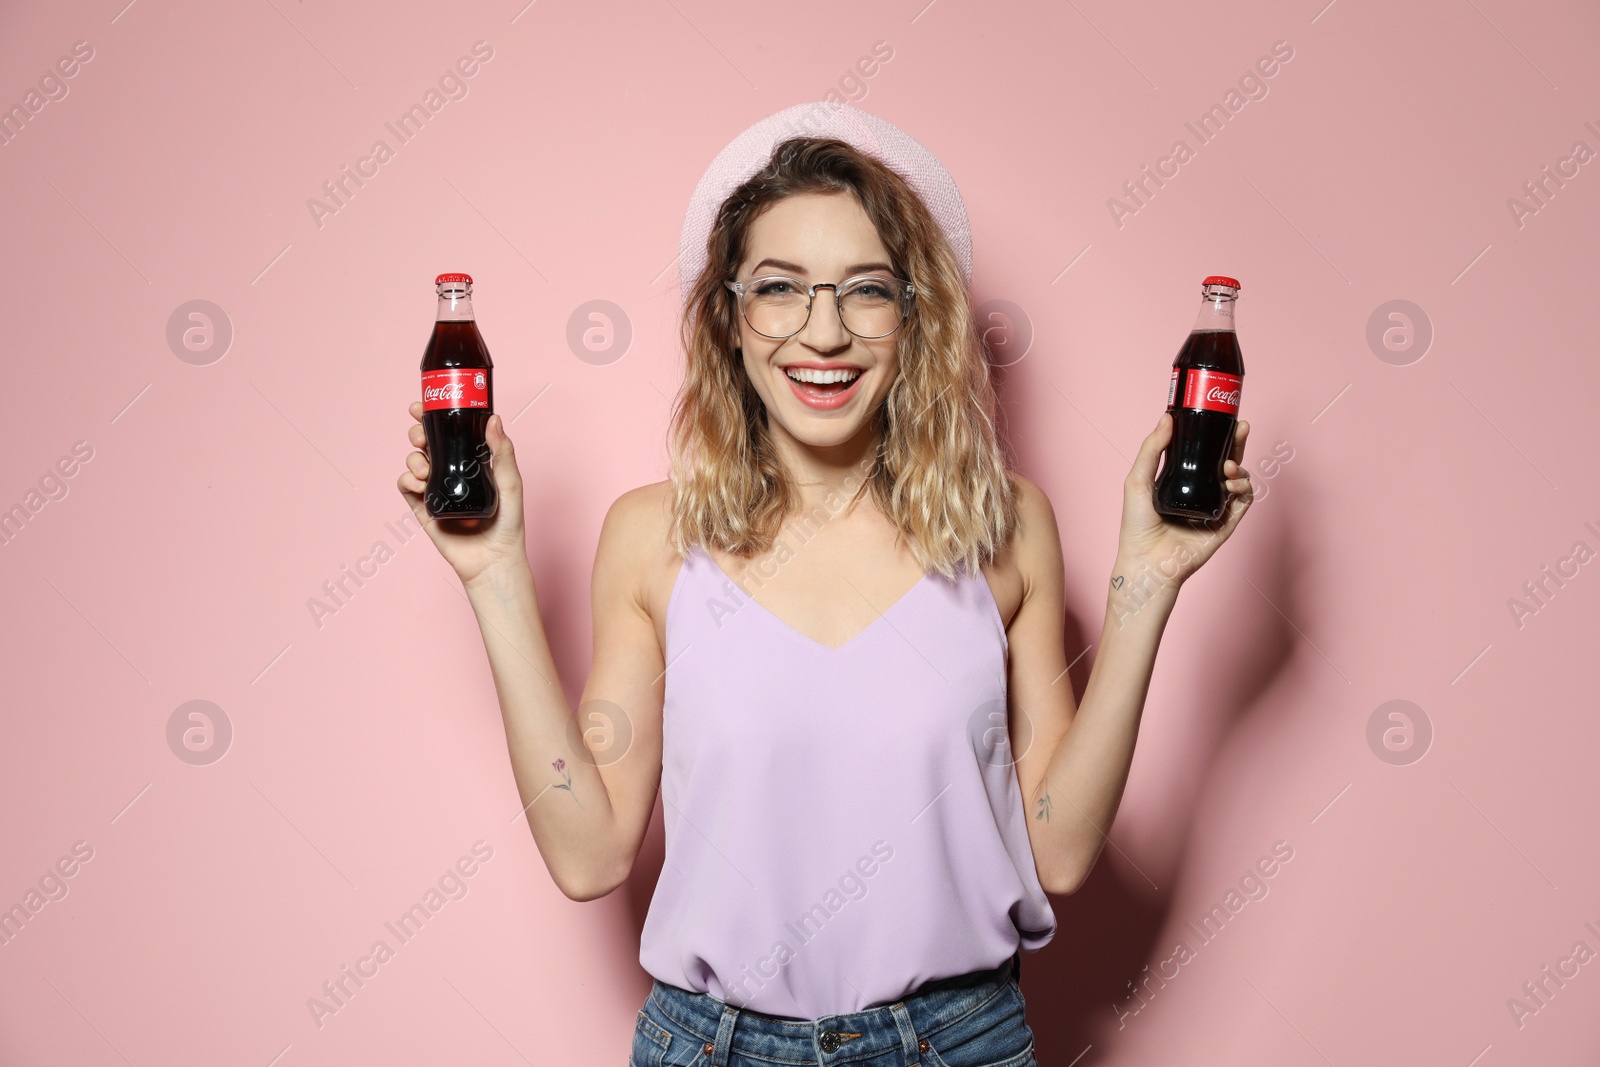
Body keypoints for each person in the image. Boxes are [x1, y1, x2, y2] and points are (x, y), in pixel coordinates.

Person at [396, 103, 1253, 1067]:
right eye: (780, 288)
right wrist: (495, 574)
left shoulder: (1008, 526)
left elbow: (1057, 849)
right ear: (728, 314)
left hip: (958, 1042)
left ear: (914, 315)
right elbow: (588, 853)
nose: (824, 333)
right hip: (712, 1047)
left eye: (866, 291)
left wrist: (1148, 582)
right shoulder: (650, 537)